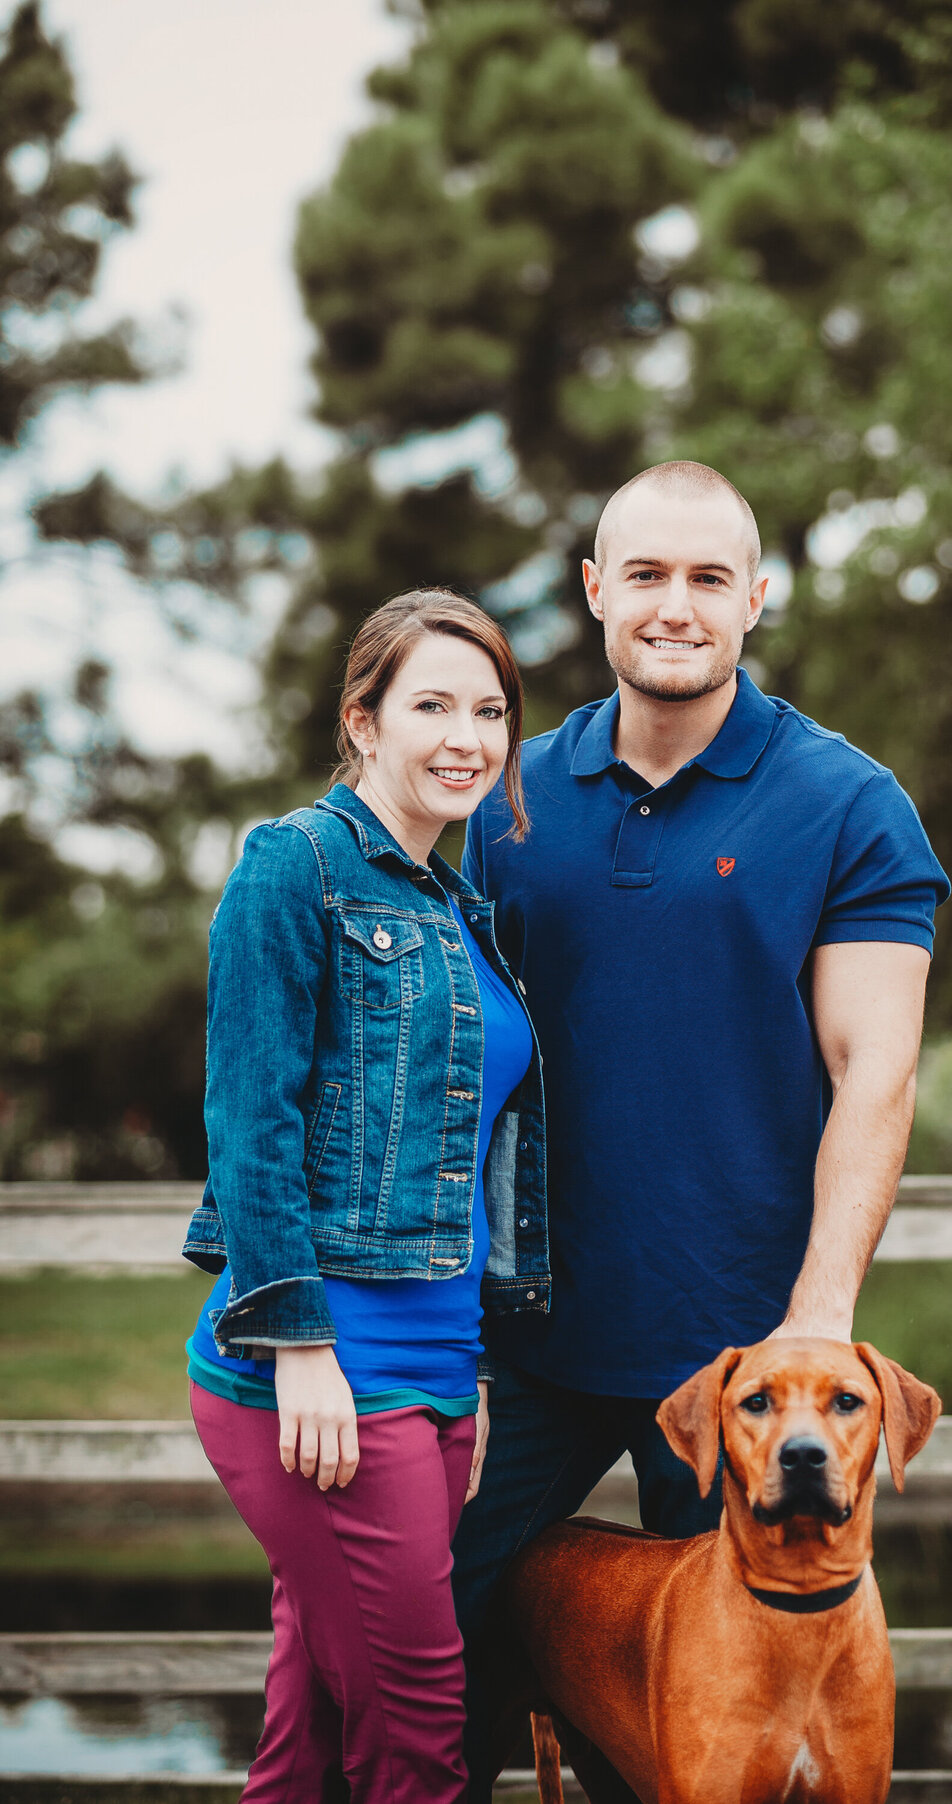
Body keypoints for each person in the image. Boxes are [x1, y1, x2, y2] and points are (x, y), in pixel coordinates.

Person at [452, 461, 951, 1797]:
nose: (676, 605)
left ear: (756, 599)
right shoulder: (501, 803)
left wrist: (815, 1325)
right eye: (648, 574)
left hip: (742, 1365)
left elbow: (876, 1070)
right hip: (524, 1346)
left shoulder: (849, 806)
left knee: (687, 1757)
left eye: (709, 577)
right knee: (424, 1688)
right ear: (595, 590)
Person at [182, 590, 549, 1804]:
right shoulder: (298, 866)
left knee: (315, 1732)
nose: (467, 736)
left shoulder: (460, 910)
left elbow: (469, 1169)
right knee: (423, 1732)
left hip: (437, 1379)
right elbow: (250, 1124)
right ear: (364, 719)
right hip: (320, 1383)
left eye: (489, 710)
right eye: (431, 704)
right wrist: (300, 1349)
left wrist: (476, 1369)